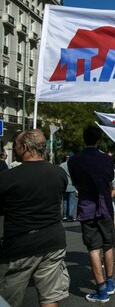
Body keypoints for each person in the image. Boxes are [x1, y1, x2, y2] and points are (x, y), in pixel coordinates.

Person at [0, 129, 69, 307]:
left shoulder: (7, 177)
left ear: (24, 147)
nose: (14, 150)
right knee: (50, 298)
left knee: (8, 299)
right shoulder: (59, 173)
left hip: (21, 245)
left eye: (15, 146)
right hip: (53, 240)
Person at [69, 125, 115, 302]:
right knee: (108, 245)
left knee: (93, 248)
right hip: (105, 206)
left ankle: (101, 290)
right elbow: (110, 179)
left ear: (84, 139)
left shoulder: (73, 161)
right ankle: (110, 282)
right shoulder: (107, 159)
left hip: (87, 207)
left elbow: (76, 184)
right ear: (99, 140)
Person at [60, 152, 76, 221]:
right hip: (72, 185)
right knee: (72, 201)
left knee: (65, 201)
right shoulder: (74, 165)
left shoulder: (61, 165)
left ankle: (64, 216)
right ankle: (70, 216)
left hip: (64, 185)